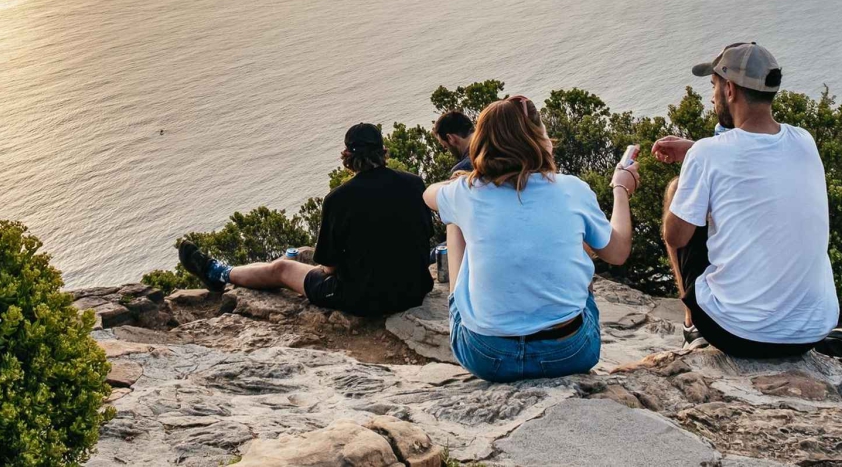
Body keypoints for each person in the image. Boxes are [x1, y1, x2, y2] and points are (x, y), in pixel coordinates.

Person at [423, 94, 638, 382]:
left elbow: (429, 195)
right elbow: (618, 252)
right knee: (572, 234)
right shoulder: (572, 189)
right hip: (569, 354)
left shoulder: (466, 191)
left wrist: (463, 181)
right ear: (539, 137)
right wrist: (620, 189)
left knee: (453, 217)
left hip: (487, 357)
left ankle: (465, 305)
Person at [652, 42, 839, 358]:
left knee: (677, 192)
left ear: (730, 90)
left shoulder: (708, 155)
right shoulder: (804, 141)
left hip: (738, 333)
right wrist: (697, 151)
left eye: (713, 86)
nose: (712, 97)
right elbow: (756, 160)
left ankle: (693, 327)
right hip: (811, 331)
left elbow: (676, 236)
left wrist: (693, 169)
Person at [178, 123, 433, 317]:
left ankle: (218, 273)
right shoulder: (414, 183)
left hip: (364, 300)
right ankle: (220, 272)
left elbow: (329, 267)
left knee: (282, 268)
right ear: (382, 151)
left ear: (347, 156)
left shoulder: (339, 199)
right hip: (414, 290)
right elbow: (425, 236)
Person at [433, 110, 475, 174]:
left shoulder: (462, 169)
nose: (447, 151)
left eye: (445, 146)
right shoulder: (491, 141)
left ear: (450, 138)